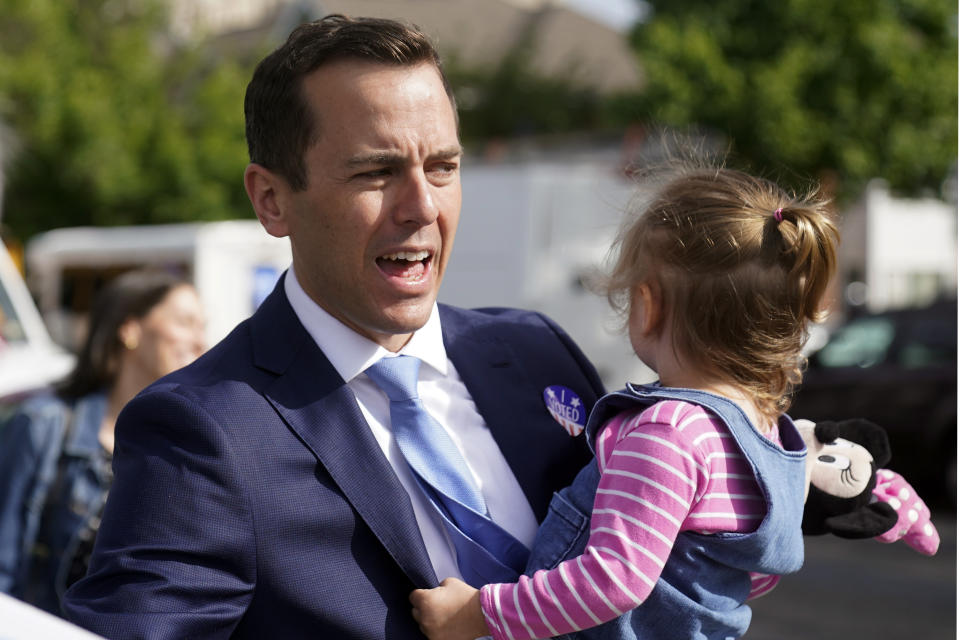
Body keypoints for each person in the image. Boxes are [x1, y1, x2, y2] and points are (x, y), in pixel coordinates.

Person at [62, 15, 603, 639]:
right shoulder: (199, 432)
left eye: (443, 167)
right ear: (271, 200)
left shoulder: (538, 353)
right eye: (376, 171)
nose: (421, 205)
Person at [409, 166, 840, 640]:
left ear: (648, 304)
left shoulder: (670, 432)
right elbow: (748, 572)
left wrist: (479, 612)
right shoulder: (771, 437)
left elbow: (612, 581)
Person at [0, 269, 205, 616]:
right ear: (130, 330)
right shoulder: (43, 426)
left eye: (202, 326)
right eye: (185, 323)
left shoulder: (192, 440)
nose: (201, 341)